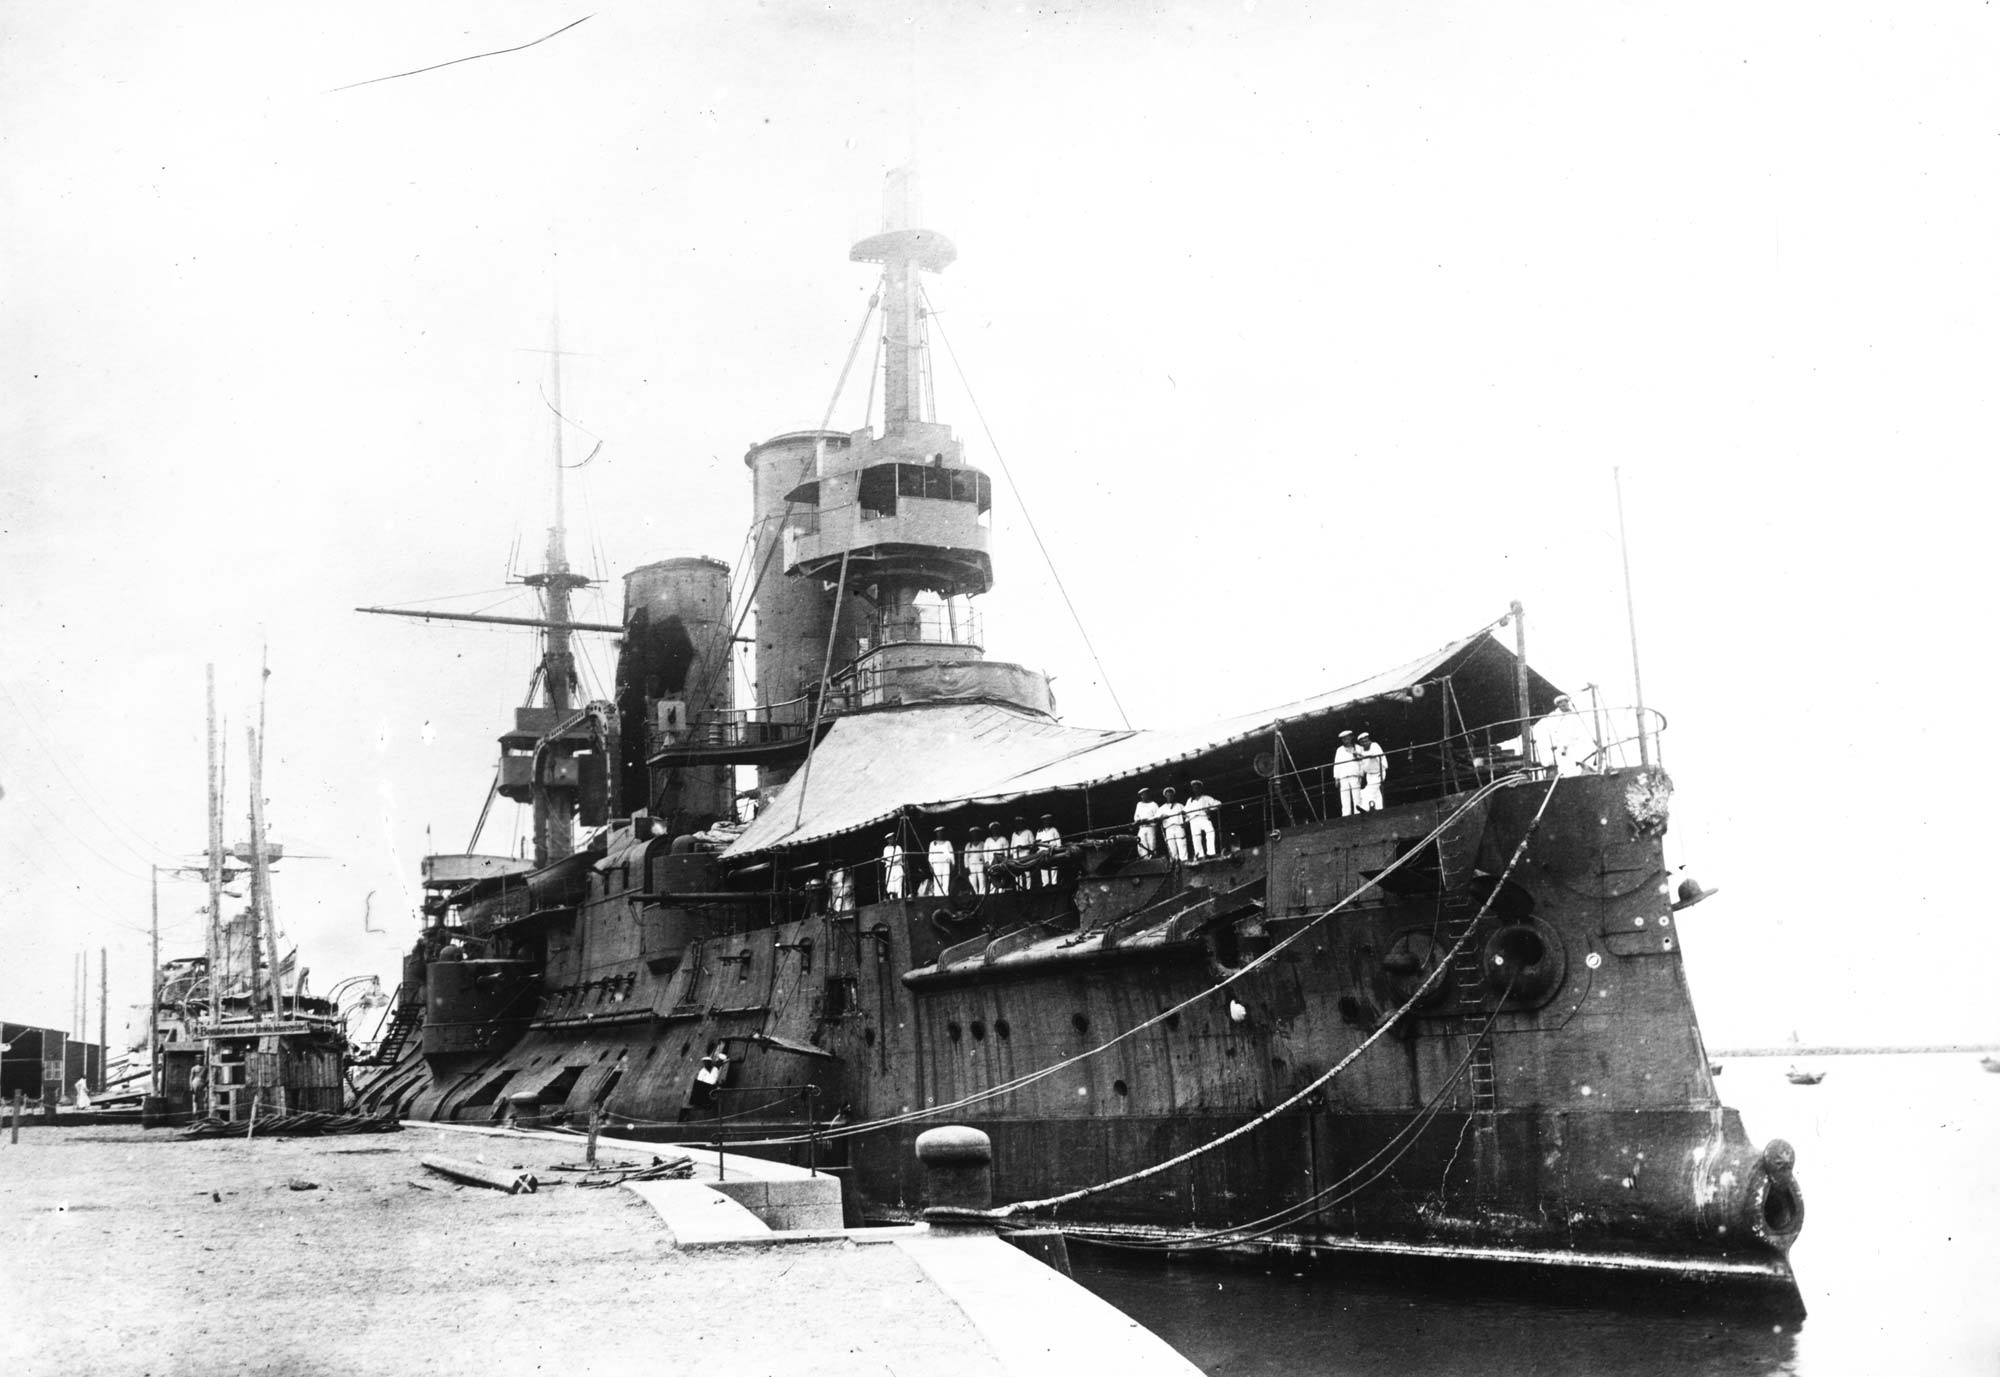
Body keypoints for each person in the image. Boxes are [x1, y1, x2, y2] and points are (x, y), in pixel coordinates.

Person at [1538, 694, 1593, 776]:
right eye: (1560, 705)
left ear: (1567, 703)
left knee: (1577, 760)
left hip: (1574, 742)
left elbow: (1578, 730)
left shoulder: (1574, 715)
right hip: (1561, 744)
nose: (1563, 706)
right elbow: (1553, 730)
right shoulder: (1554, 716)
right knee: (1563, 762)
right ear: (1558, 706)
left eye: (1564, 704)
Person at [1333, 730, 1364, 816]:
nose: (1346, 740)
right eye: (1344, 739)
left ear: (1351, 738)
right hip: (1343, 776)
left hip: (1355, 774)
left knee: (1357, 796)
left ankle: (1358, 814)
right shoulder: (1339, 750)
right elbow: (1336, 764)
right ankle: (1346, 816)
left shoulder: (1358, 748)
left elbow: (1362, 763)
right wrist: (1336, 778)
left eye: (1347, 738)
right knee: (1344, 798)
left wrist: (1361, 775)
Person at [1185, 780, 1220, 859]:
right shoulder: (1190, 800)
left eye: (1197, 788)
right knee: (1196, 837)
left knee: (1210, 831)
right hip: (1193, 820)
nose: (1196, 789)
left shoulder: (1206, 798)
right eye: (1194, 788)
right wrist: (1186, 821)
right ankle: (1200, 855)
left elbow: (1218, 804)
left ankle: (1211, 853)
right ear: (1193, 789)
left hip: (1203, 818)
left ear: (1201, 788)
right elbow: (1186, 812)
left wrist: (1210, 808)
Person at [1356, 731, 1388, 811]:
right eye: (1363, 742)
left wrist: (1361, 755)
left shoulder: (1375, 745)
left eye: (1366, 741)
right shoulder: (1362, 750)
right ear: (1361, 743)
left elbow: (1372, 754)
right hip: (1369, 774)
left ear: (1369, 740)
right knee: (1376, 793)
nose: (1365, 743)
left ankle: (1365, 807)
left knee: (1368, 790)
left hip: (1379, 773)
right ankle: (1380, 809)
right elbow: (1363, 764)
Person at [1160, 787, 1191, 862]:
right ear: (1165, 796)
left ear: (1173, 795)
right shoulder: (1162, 808)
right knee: (1172, 848)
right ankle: (1175, 864)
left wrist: (1186, 822)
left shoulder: (1180, 806)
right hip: (1169, 829)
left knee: (1182, 846)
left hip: (1179, 827)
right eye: (1168, 795)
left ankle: (1184, 862)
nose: (1170, 796)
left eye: (1171, 795)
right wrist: (1162, 817)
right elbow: (1156, 818)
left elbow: (1189, 815)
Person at [982, 821, 1014, 890]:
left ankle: (1000, 891)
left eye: (996, 828)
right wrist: (986, 861)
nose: (995, 830)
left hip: (1001, 861)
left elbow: (1006, 852)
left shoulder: (1003, 839)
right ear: (991, 830)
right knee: (992, 876)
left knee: (1001, 876)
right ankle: (992, 892)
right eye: (993, 829)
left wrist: (1005, 860)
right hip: (991, 861)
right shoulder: (988, 840)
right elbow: (985, 852)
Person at [925, 827, 955, 896]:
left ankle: (945, 894)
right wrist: (930, 865)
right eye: (938, 832)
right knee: (937, 880)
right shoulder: (932, 843)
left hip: (946, 863)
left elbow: (951, 854)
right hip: (936, 864)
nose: (940, 834)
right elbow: (930, 855)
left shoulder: (948, 843)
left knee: (946, 879)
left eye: (941, 832)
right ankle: (938, 895)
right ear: (936, 833)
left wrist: (953, 864)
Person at [1035, 814, 1062, 887]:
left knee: (1053, 866)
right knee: (1043, 867)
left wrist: (1057, 848)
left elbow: (1058, 841)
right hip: (1043, 852)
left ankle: (1054, 882)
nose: (1046, 822)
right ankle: (1045, 884)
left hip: (1052, 851)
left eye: (1047, 820)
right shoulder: (1039, 831)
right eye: (1044, 821)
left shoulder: (1054, 830)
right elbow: (1037, 842)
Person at [1133, 788, 1162, 857]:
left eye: (1144, 794)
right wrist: (1139, 820)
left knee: (1151, 843)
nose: (1143, 796)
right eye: (1141, 795)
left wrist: (1148, 820)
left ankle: (1153, 858)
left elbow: (1157, 816)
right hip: (1142, 827)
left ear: (1148, 795)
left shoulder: (1154, 804)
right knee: (1141, 843)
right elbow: (1136, 816)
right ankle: (1145, 858)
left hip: (1150, 827)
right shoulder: (1139, 804)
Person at [1010, 816, 1038, 887]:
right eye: (1017, 823)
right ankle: (1019, 888)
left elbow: (1033, 845)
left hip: (1026, 855)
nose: (1018, 824)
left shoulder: (1028, 832)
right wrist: (1011, 854)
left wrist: (1023, 847)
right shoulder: (1014, 834)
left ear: (1023, 823)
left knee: (1027, 872)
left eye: (1020, 823)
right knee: (1017, 872)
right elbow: (1012, 846)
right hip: (1016, 856)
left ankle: (1028, 888)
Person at [963, 825, 989, 894]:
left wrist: (985, 865)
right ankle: (974, 895)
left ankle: (982, 895)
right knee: (972, 882)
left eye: (976, 833)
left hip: (981, 864)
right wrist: (966, 867)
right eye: (973, 834)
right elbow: (966, 857)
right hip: (971, 865)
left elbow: (986, 854)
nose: (975, 835)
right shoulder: (968, 845)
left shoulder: (983, 843)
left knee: (982, 881)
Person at [880, 831, 906, 899]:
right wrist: (885, 859)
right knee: (890, 884)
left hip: (897, 867)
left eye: (892, 838)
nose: (891, 840)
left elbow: (898, 858)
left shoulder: (898, 847)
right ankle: (892, 898)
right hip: (889, 868)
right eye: (890, 839)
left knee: (898, 883)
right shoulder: (886, 849)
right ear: (888, 840)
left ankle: (899, 897)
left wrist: (888, 859)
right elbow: (885, 858)